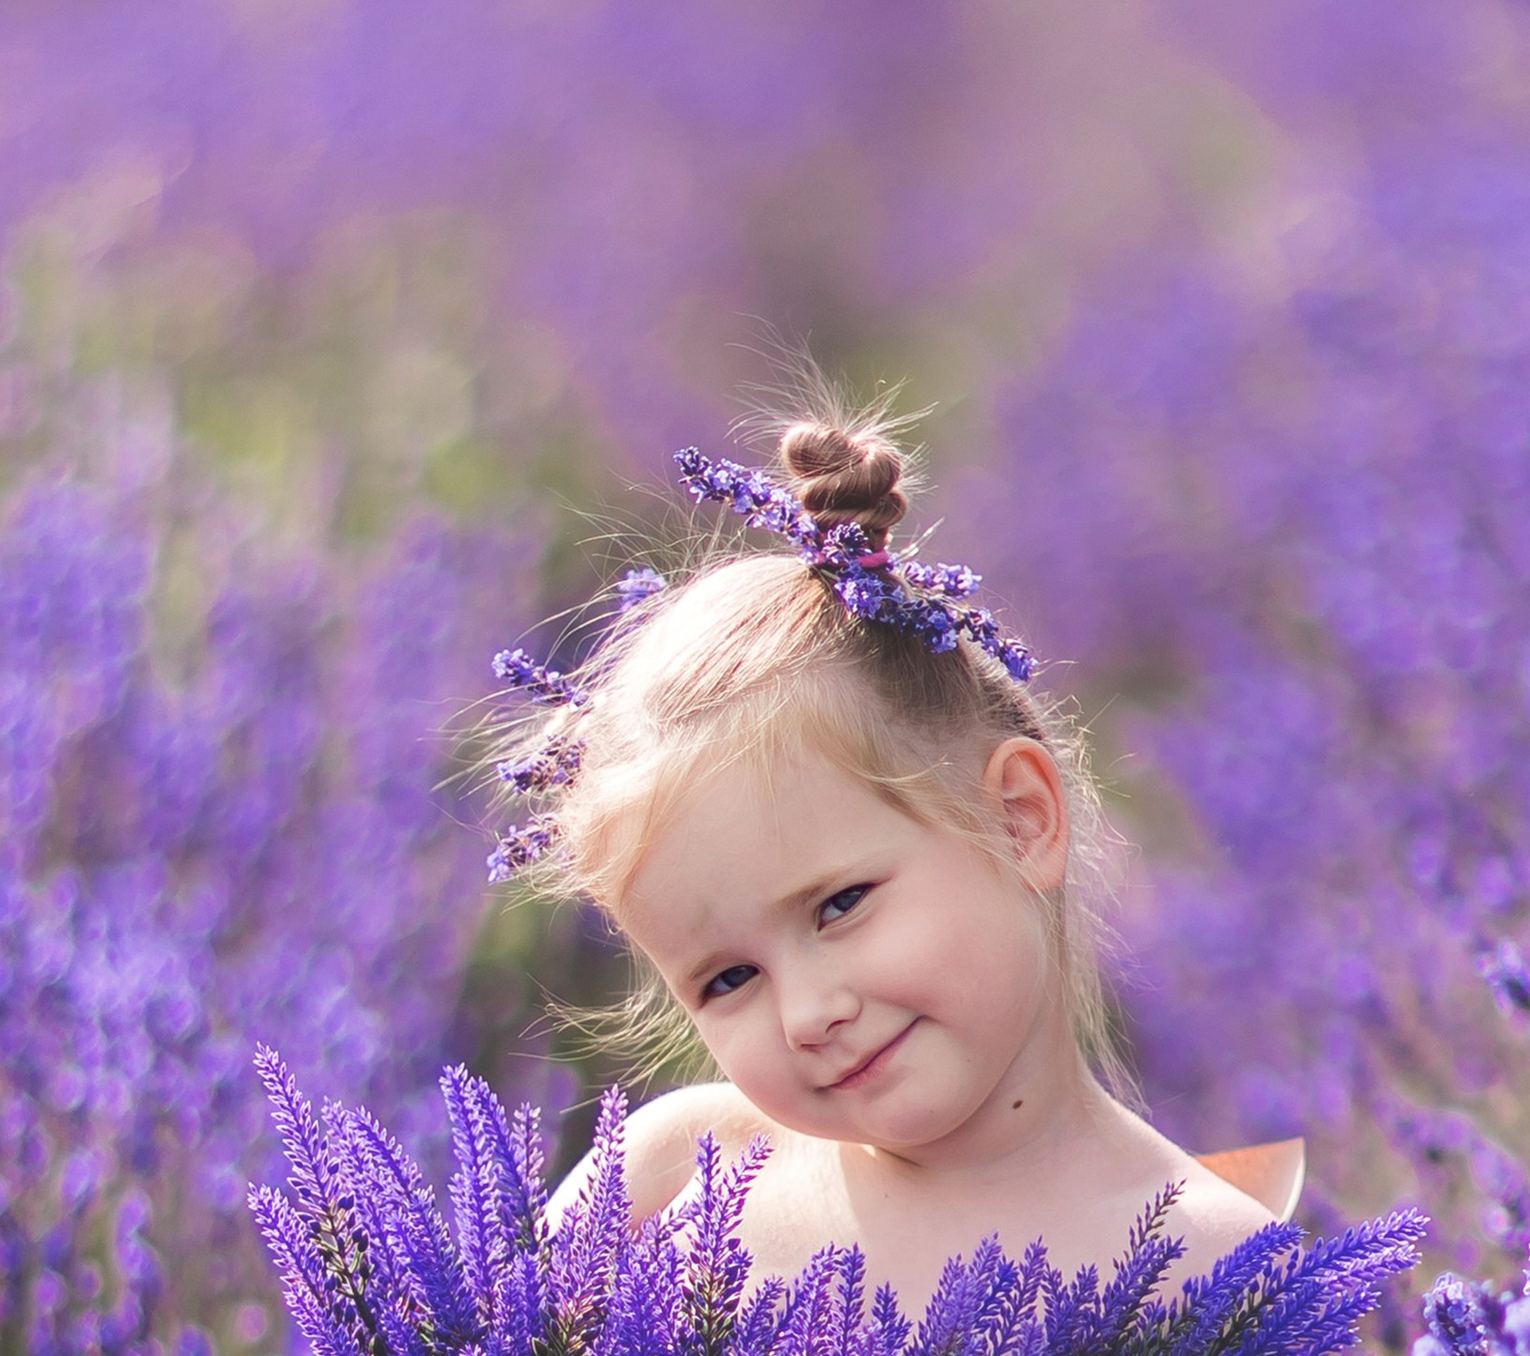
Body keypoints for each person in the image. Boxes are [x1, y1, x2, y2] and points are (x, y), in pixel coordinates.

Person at [498, 408, 1288, 1291]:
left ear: (1020, 821)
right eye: (728, 979)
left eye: (839, 906)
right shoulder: (674, 1174)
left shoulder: (1217, 1267)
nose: (806, 1015)